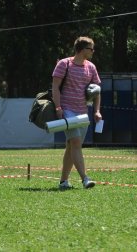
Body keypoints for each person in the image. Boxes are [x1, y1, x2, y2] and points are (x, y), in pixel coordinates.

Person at [52, 36, 101, 190]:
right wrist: (58, 107)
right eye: (91, 48)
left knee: (71, 146)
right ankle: (85, 179)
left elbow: (97, 91)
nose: (93, 51)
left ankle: (63, 181)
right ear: (82, 49)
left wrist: (97, 111)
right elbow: (55, 87)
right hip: (67, 110)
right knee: (76, 143)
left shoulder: (91, 67)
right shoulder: (64, 64)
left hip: (83, 112)